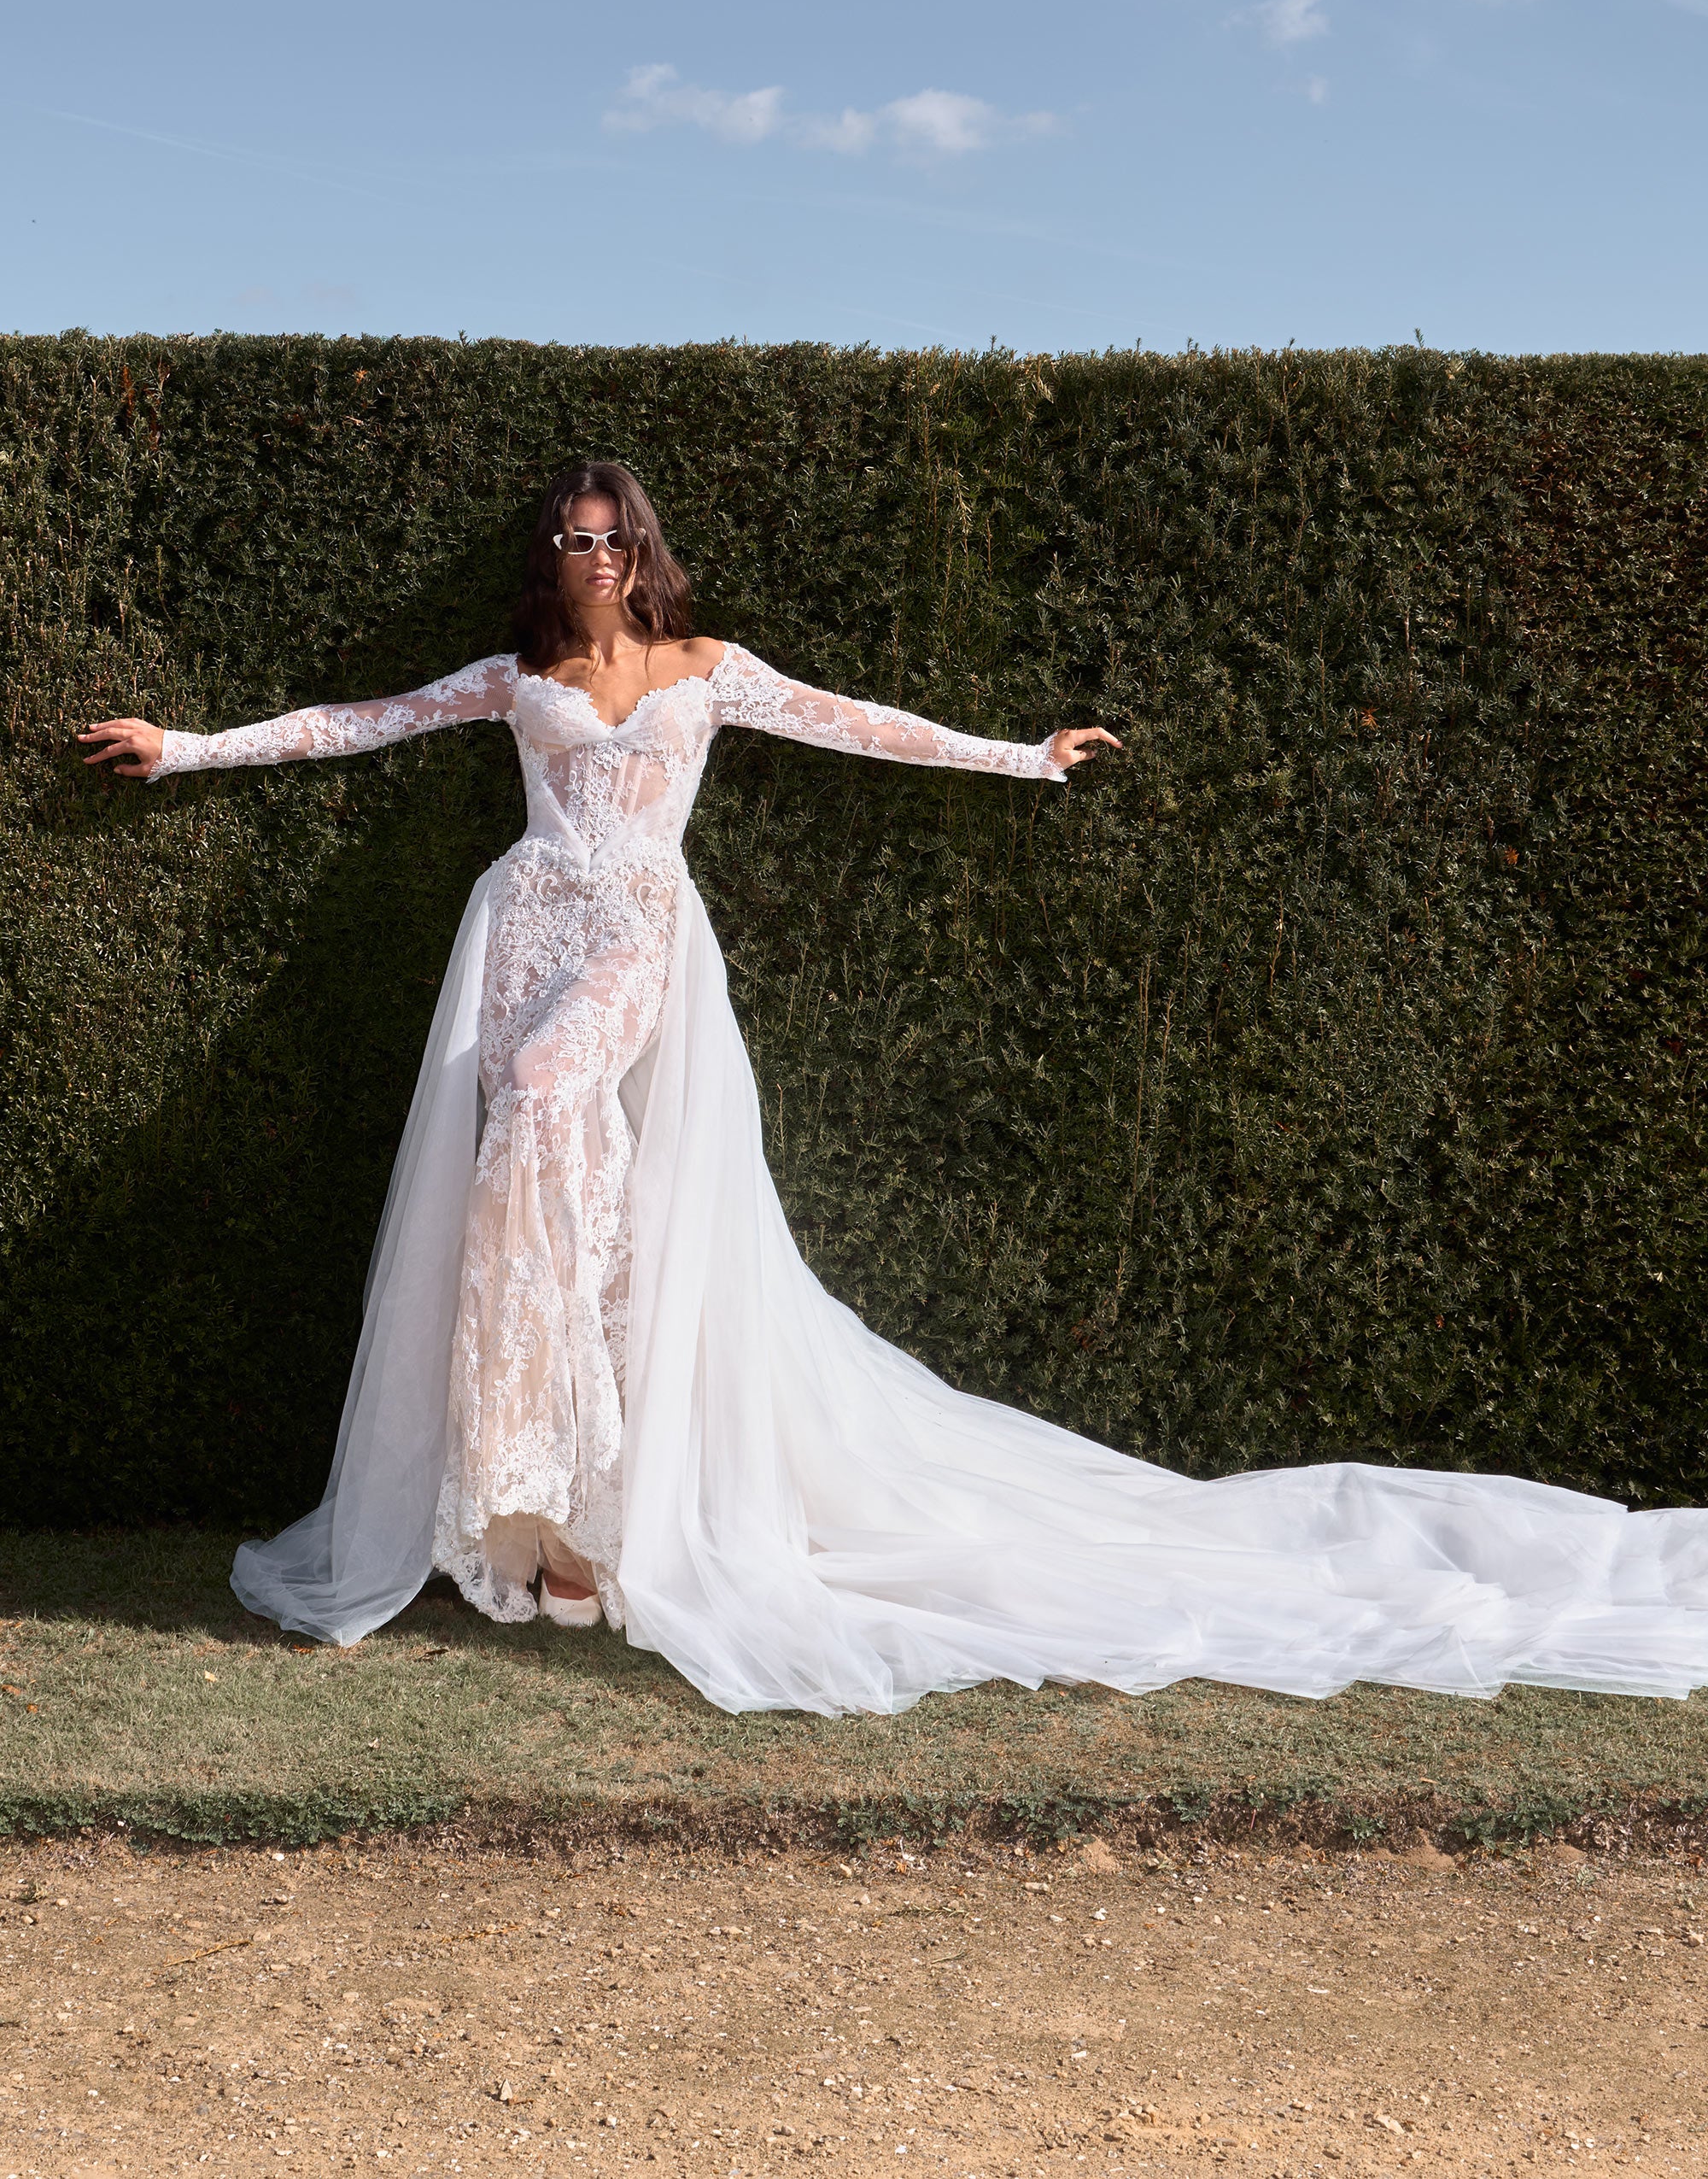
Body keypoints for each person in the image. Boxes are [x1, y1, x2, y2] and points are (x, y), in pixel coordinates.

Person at [80, 462, 1708, 1716]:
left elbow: (859, 725)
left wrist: (1019, 756)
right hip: (522, 924)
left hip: (637, 932)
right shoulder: (516, 677)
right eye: (573, 540)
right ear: (551, 558)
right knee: (527, 1142)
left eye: (613, 537)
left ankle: (582, 1486)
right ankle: (548, 1513)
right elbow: (360, 722)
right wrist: (190, 744)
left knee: (551, 1100)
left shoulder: (708, 665)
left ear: (644, 550)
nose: (593, 558)